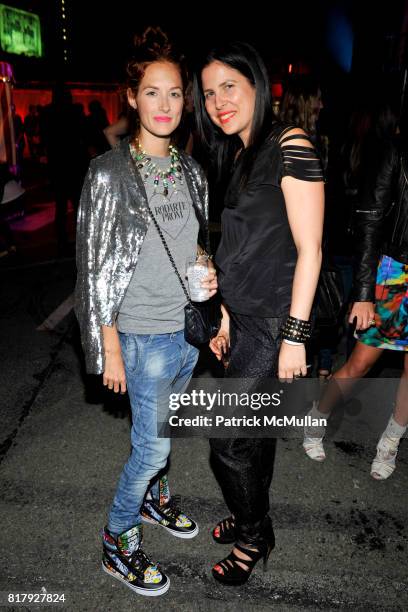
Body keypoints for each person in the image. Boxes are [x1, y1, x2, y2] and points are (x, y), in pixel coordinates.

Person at [75, 27, 217, 597]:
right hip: (139, 335)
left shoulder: (191, 170)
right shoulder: (108, 174)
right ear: (131, 97)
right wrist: (107, 344)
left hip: (186, 330)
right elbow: (92, 267)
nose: (166, 105)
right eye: (153, 92)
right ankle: (117, 539)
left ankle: (155, 501)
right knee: (151, 445)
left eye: (176, 93)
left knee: (161, 428)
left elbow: (198, 244)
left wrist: (209, 285)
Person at [193, 42, 324, 585]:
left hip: (274, 320)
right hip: (243, 315)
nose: (218, 101)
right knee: (254, 432)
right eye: (208, 93)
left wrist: (294, 337)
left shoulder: (290, 143)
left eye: (229, 86)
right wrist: (222, 313)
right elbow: (241, 248)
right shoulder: (242, 152)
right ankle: (253, 515)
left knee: (227, 440)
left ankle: (254, 534)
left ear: (258, 85)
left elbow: (311, 249)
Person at [303, 130, 408, 479]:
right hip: (396, 274)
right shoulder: (397, 148)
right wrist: (364, 293)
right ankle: (318, 416)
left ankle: (390, 443)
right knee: (361, 363)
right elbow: (370, 220)